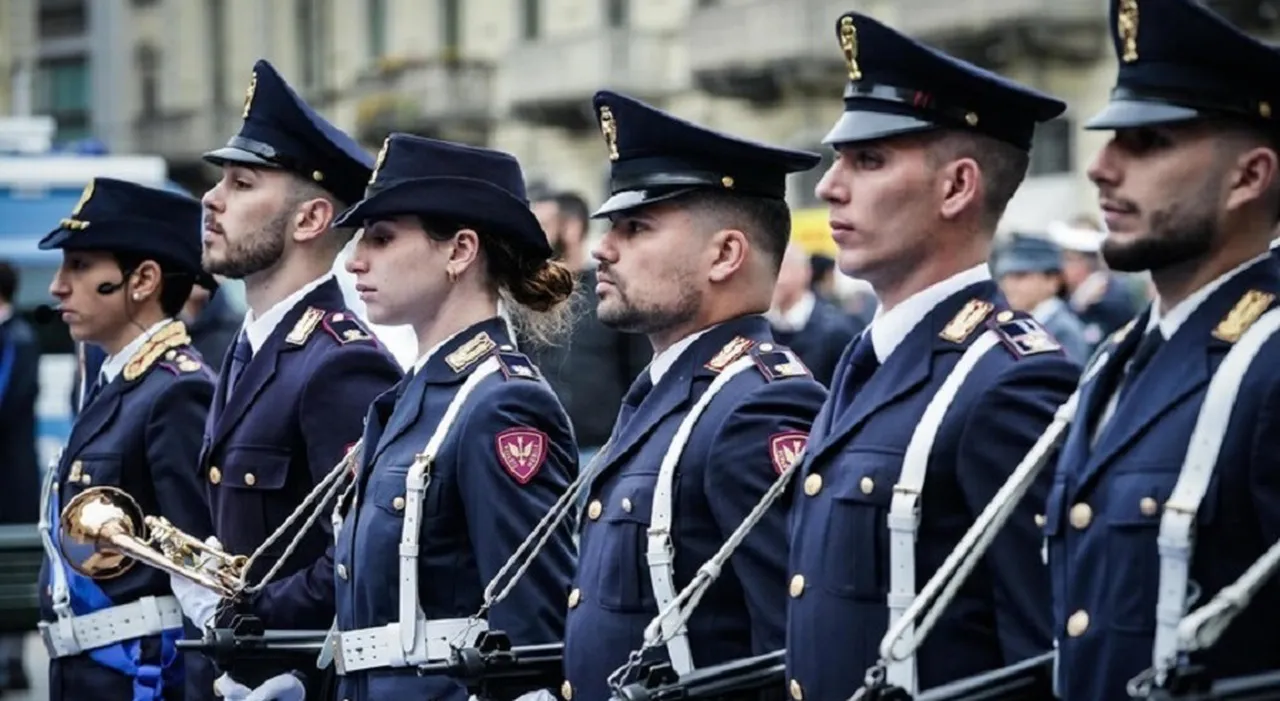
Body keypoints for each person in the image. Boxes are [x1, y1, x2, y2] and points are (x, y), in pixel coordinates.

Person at [784, 12, 1082, 700]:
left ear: (956, 187)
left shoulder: (1008, 380)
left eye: (869, 160)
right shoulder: (867, 358)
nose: (829, 185)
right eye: (839, 159)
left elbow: (1039, 662)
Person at [560, 90, 829, 701]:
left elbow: (791, 655)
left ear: (726, 254)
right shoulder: (668, 391)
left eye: (636, 227)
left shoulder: (755, 408)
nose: (603, 248)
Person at [1047, 1, 1280, 697]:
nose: (1101, 168)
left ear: (1249, 177)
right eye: (1110, 139)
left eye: (1147, 143)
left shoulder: (1269, 364)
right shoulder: (1118, 358)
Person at [315, 133, 579, 701]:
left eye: (382, 237)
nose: (355, 260)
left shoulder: (500, 402)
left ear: (460, 251)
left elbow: (533, 631)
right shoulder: (414, 395)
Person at [174, 58, 403, 699]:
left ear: (309, 220)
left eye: (243, 183)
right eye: (221, 179)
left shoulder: (339, 363)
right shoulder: (251, 346)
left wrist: (241, 614)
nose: (212, 198)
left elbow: (357, 555)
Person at [34, 177, 218, 701]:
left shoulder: (177, 391)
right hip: (92, 671)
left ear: (143, 280)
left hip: (147, 676)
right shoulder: (120, 382)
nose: (58, 286)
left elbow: (197, 570)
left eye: (79, 266)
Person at [527, 190, 651, 467]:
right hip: (536, 453)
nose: (535, 238)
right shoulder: (527, 299)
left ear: (572, 228)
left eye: (543, 226)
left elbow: (639, 373)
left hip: (599, 453)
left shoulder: (610, 295)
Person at [0, 259, 40, 693]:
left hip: (11, 478)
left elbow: (5, 400)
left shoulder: (19, 339)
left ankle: (11, 661)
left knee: (12, 570)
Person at [767, 243, 864, 386]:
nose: (771, 280)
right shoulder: (762, 329)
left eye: (779, 270)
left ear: (805, 272)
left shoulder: (837, 330)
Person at [1046, 214, 1144, 350]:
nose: (1061, 266)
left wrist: (1078, 307)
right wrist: (1075, 305)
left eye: (1069, 259)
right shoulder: (1061, 293)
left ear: (1087, 263)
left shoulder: (1113, 298)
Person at [994, 234, 1091, 363]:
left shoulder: (1063, 331)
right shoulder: (1013, 324)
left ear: (1052, 281)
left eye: (1020, 276)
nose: (1008, 286)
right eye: (1004, 277)